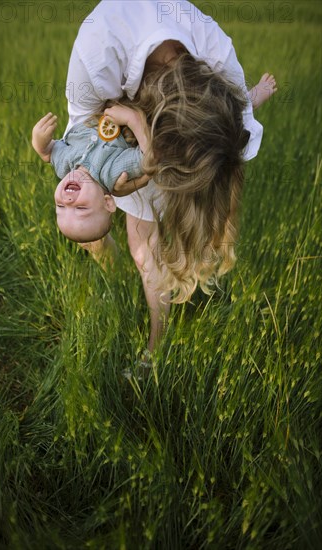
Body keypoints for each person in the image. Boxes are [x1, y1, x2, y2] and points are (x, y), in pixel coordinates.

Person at [62, 0, 277, 353]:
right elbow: (80, 140)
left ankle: (155, 344)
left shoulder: (219, 59)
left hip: (146, 131)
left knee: (143, 248)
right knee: (87, 226)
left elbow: (236, 118)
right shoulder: (97, 53)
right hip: (113, 130)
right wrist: (105, 181)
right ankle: (114, 274)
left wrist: (256, 96)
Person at [31, 108, 149, 243]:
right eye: (80, 208)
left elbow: (48, 152)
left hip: (89, 109)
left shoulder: (63, 165)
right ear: (107, 202)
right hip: (119, 108)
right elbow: (148, 158)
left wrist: (40, 144)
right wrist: (133, 120)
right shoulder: (112, 172)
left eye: (60, 206)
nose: (67, 201)